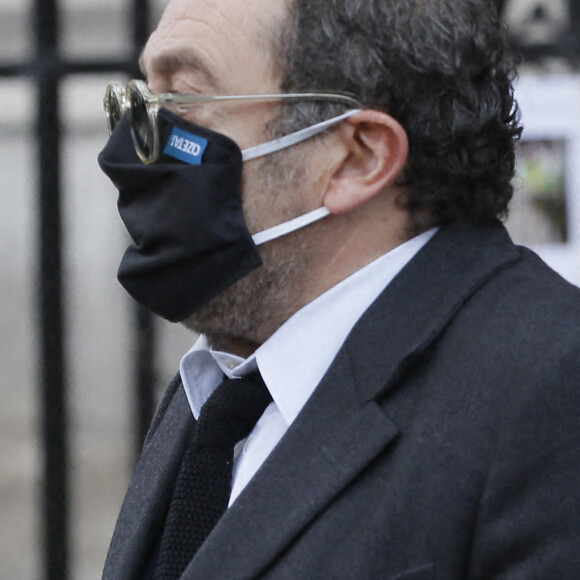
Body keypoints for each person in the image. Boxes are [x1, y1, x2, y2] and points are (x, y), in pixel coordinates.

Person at [97, 0, 580, 578]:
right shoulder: (224, 386)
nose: (132, 145)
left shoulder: (549, 386)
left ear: (357, 158)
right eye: (143, 100)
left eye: (183, 101)